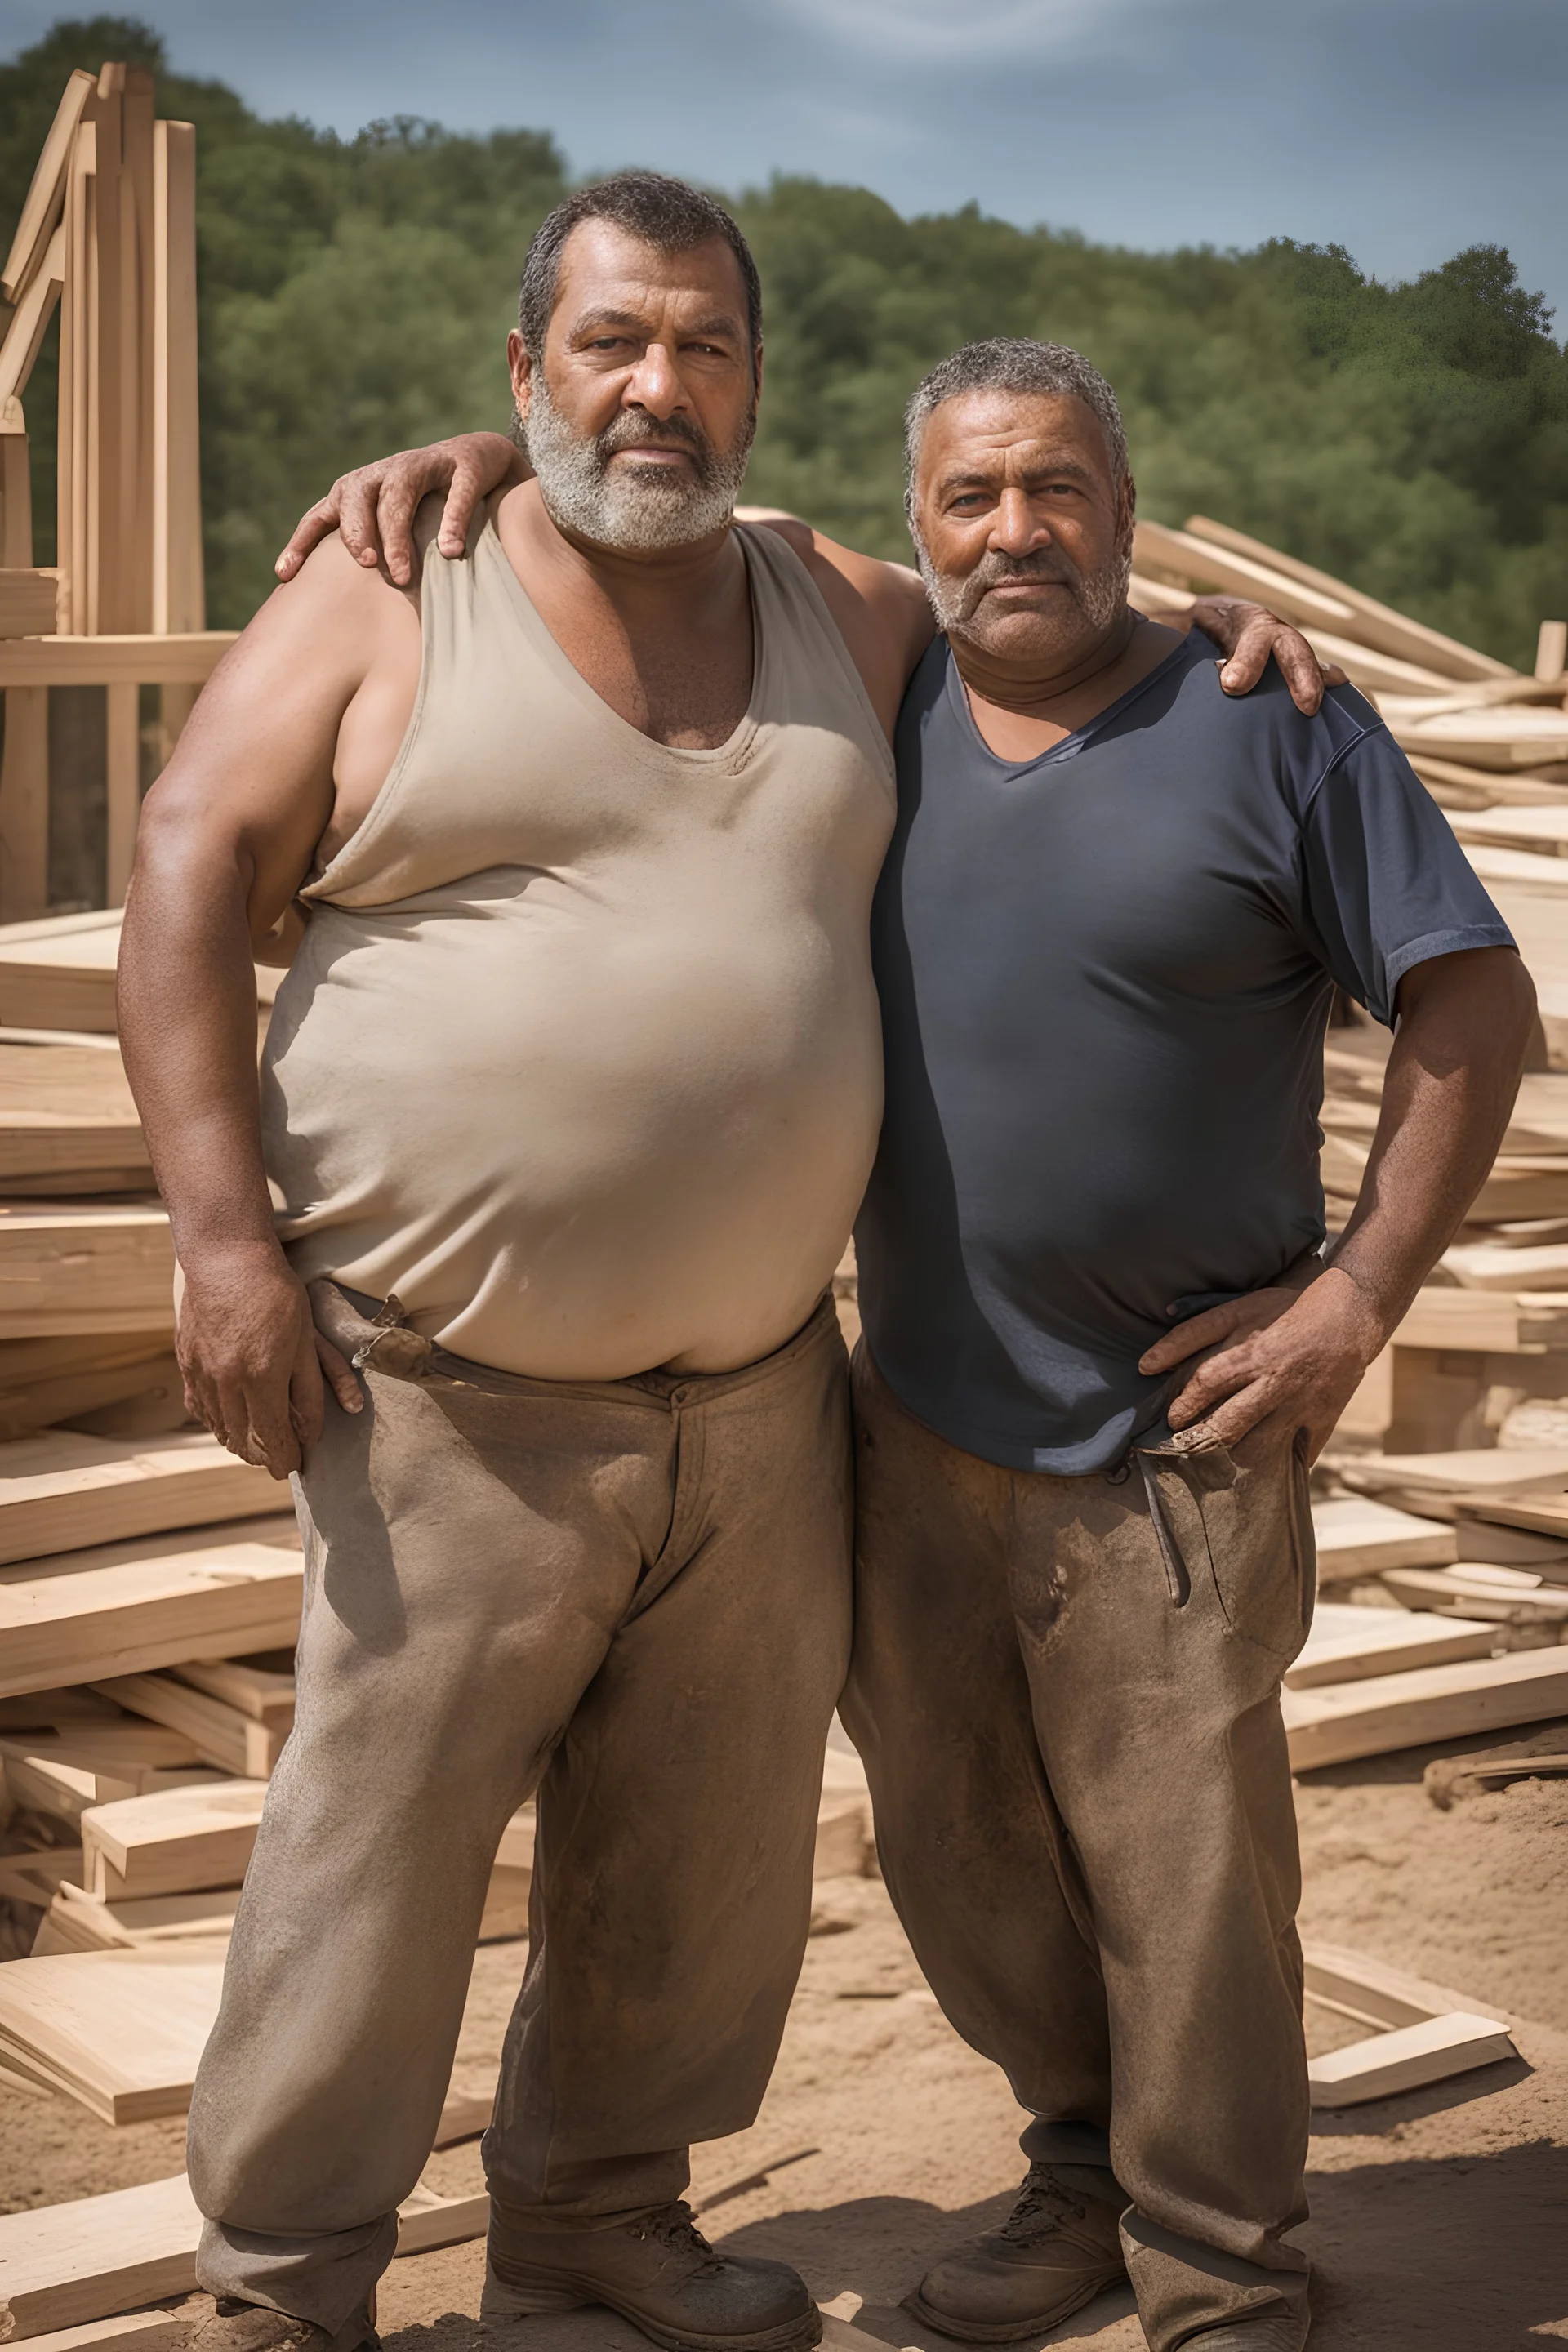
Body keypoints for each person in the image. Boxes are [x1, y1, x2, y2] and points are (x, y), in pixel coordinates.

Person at [129, 171, 1322, 2352]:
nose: (658, 387)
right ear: (520, 371)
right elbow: (187, 872)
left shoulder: (841, 611)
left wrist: (1247, 647)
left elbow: (1057, 611)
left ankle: (596, 2209)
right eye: (609, 345)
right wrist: (220, 1237)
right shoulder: (395, 592)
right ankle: (285, 2285)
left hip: (767, 1396)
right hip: (446, 1394)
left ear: (763, 384)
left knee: (693, 1874)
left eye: (706, 347)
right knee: (368, 1877)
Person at [312, 337, 1531, 2352]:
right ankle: (1078, 2176)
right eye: (969, 497)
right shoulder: (870, 706)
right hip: (917, 1424)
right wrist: (474, 450)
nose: (1014, 531)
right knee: (969, 1864)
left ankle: (1224, 2268)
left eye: (1058, 489)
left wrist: (1354, 1297)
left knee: (1191, 1886)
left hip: (1180, 1442)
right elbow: (646, 510)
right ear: (915, 528)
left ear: (1130, 515)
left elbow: (1477, 1024)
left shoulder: (1273, 726)